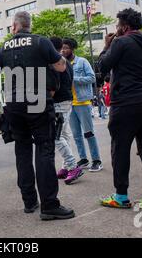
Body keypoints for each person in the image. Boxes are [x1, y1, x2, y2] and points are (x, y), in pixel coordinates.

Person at [0, 11, 75, 221]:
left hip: (14, 105)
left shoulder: (4, 47)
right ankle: (49, 205)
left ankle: (29, 201)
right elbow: (61, 67)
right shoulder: (41, 42)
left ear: (14, 27)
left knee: (22, 152)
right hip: (38, 102)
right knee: (45, 151)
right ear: (29, 26)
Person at [98, 8, 142, 213]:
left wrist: (107, 46)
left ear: (125, 27)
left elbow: (103, 65)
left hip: (127, 103)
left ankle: (121, 196)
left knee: (120, 149)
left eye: (118, 25)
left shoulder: (121, 42)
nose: (117, 29)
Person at [63, 38, 103, 172]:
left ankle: (96, 160)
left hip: (83, 102)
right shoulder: (62, 64)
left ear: (72, 48)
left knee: (88, 133)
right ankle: (83, 159)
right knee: (76, 135)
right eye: (62, 48)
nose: (63, 50)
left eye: (66, 48)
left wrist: (73, 79)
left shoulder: (82, 61)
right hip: (69, 103)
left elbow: (92, 78)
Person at [49, 36, 83, 185]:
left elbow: (53, 86)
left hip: (59, 102)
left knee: (56, 136)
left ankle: (73, 166)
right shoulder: (65, 61)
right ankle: (66, 166)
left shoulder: (55, 62)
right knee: (63, 134)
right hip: (67, 101)